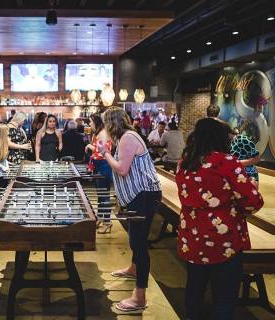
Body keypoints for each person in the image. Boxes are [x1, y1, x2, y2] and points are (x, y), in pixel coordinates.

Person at [176, 118, 264, 320]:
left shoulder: (185, 163)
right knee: (224, 298)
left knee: (194, 290)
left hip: (193, 239)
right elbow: (253, 201)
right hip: (224, 242)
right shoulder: (227, 162)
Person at [98, 107, 161, 312]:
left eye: (105, 123)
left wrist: (105, 152)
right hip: (141, 195)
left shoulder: (127, 137)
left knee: (138, 243)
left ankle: (139, 296)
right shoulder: (126, 136)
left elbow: (122, 169)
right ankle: (134, 269)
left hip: (143, 195)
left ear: (111, 123)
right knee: (135, 239)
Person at [84, 114, 113, 233]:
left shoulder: (103, 133)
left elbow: (102, 151)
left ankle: (107, 222)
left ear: (96, 122)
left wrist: (89, 145)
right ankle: (100, 217)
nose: (89, 124)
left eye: (91, 122)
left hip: (104, 164)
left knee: (104, 194)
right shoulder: (99, 132)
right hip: (98, 164)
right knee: (100, 193)